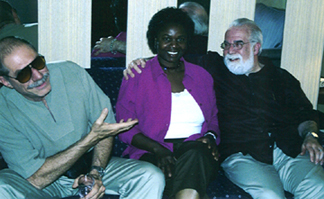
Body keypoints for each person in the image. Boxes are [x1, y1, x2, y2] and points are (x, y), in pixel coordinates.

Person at [124, 18, 324, 199]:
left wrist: (310, 135)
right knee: (268, 195)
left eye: (238, 44)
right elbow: (172, 52)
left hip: (289, 149)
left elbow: (305, 113)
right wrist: (141, 60)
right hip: (244, 154)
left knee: (318, 187)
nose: (230, 50)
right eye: (226, 45)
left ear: (256, 48)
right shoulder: (214, 68)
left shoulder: (282, 78)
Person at [0, 36, 165, 199]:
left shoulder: (71, 72)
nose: (38, 76)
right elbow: (36, 179)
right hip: (42, 179)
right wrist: (91, 138)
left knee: (151, 177)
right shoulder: (3, 109)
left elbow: (105, 126)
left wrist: (96, 173)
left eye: (37, 63)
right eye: (23, 74)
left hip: (91, 164)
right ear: (6, 81)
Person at [116, 7, 220, 199]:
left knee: (196, 154)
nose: (174, 45)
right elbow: (124, 127)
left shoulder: (202, 76)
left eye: (180, 39)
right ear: (156, 41)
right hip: (152, 152)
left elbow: (213, 119)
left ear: (187, 41)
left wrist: (212, 137)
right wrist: (159, 150)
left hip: (196, 152)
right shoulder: (137, 75)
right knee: (176, 172)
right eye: (166, 38)